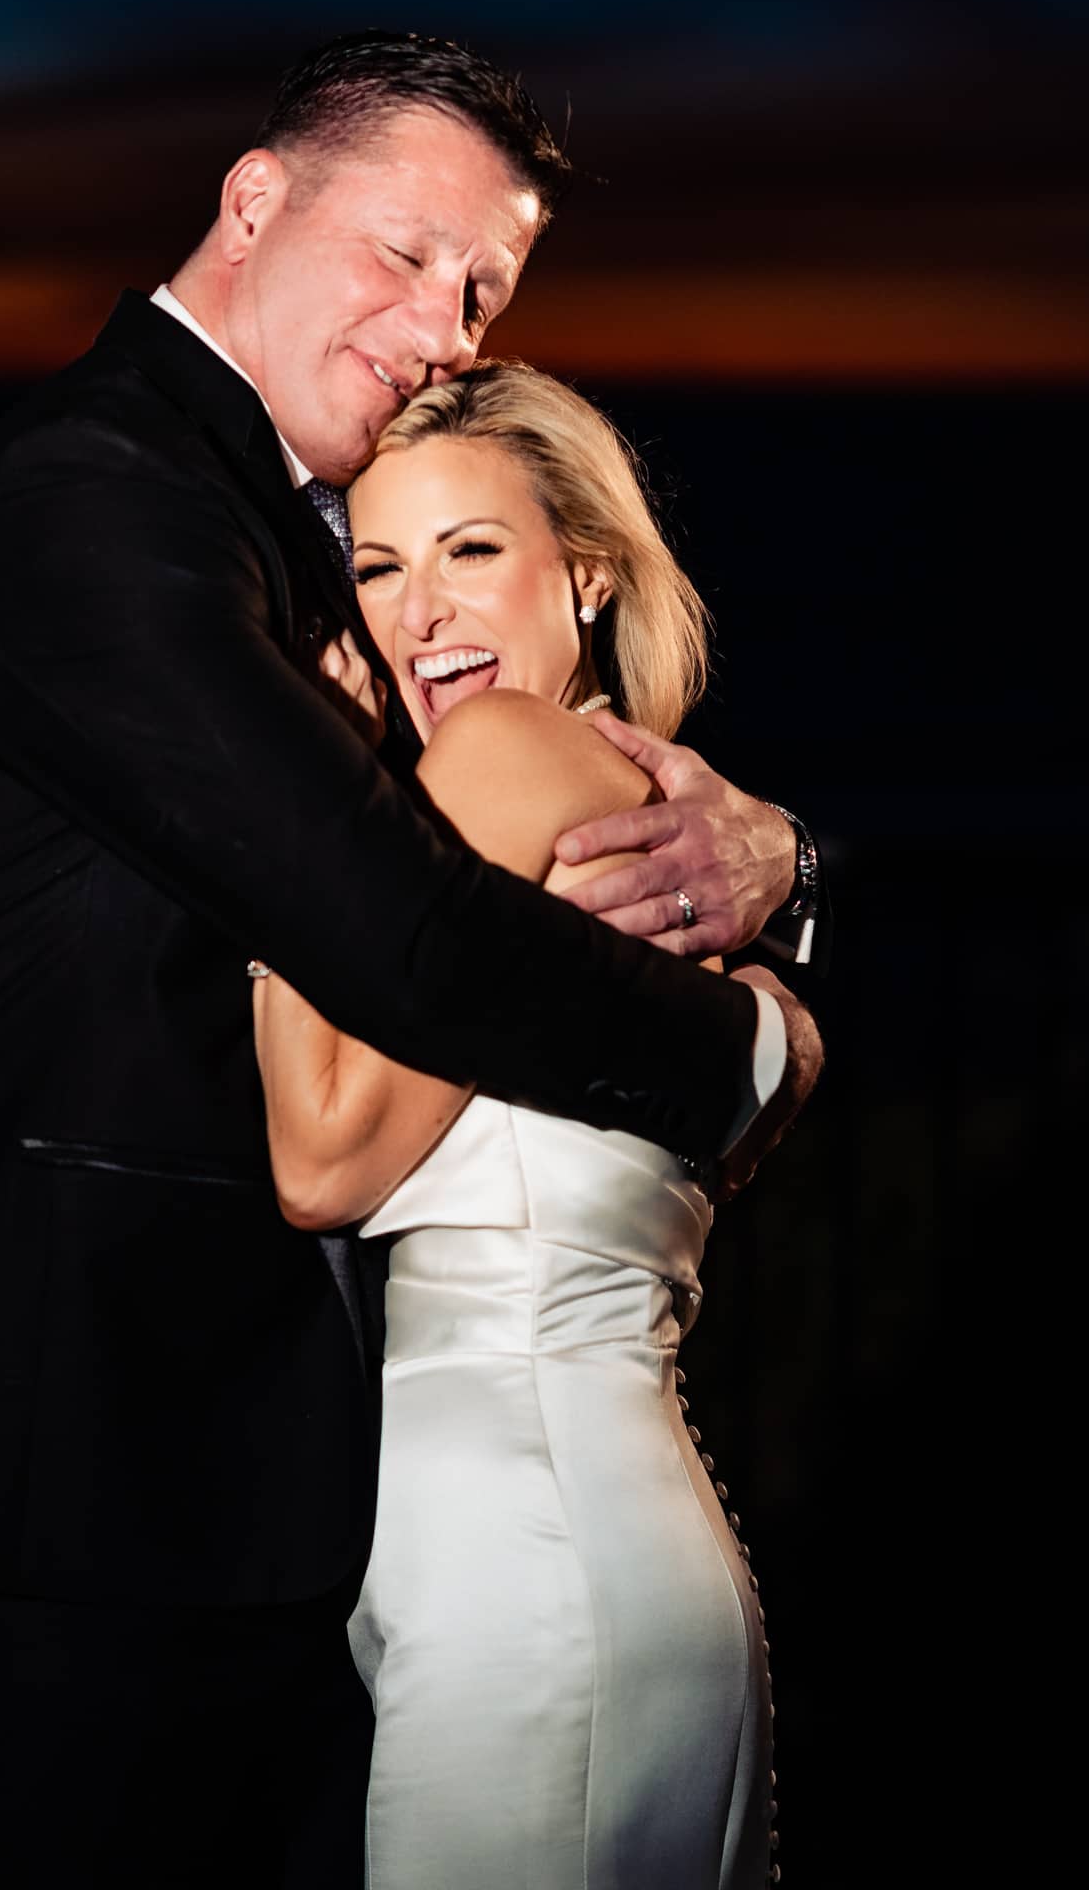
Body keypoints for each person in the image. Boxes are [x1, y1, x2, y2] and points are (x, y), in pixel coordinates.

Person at [0, 31, 822, 1888]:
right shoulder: (102, 492)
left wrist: (784, 857)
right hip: (90, 1466)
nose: (443, 321)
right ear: (252, 201)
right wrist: (750, 1051)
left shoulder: (261, 525)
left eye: (484, 288)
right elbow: (395, 926)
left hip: (265, 1486)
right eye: (405, 251)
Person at [252, 361, 792, 1889]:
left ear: (590, 572)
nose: (417, 613)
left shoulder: (496, 765)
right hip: (563, 1531)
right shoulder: (622, 794)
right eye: (376, 564)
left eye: (470, 552)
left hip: (529, 1553)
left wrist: (316, 799)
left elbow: (317, 1160)